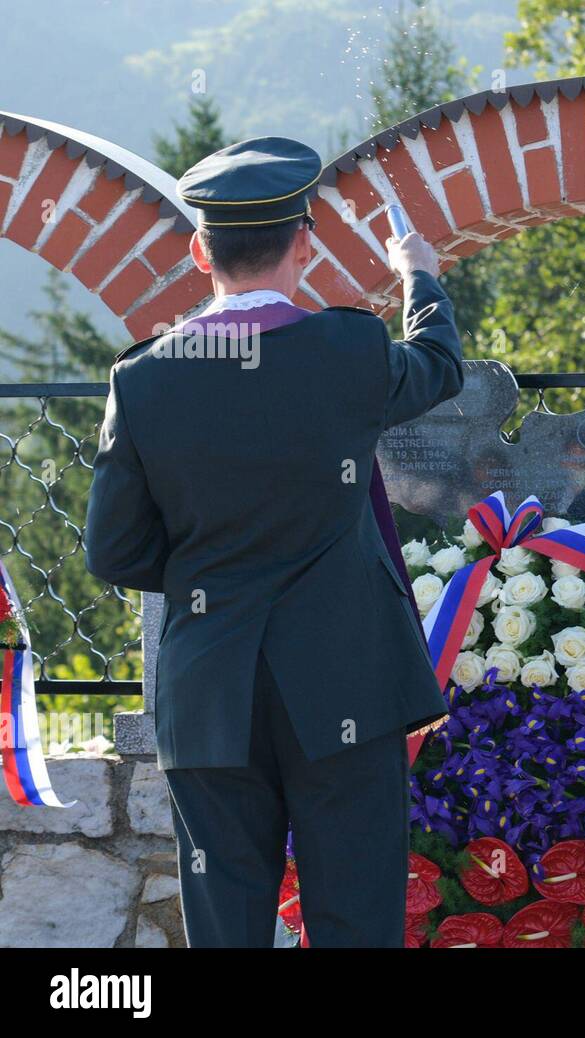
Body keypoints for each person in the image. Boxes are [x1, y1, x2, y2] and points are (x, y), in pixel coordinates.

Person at [83, 136, 463, 947]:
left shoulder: (142, 378)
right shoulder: (350, 349)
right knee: (356, 919)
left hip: (210, 686)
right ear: (303, 243)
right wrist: (418, 276)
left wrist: (203, 567)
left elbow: (112, 551)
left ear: (198, 251)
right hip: (344, 680)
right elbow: (437, 363)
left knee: (225, 929)